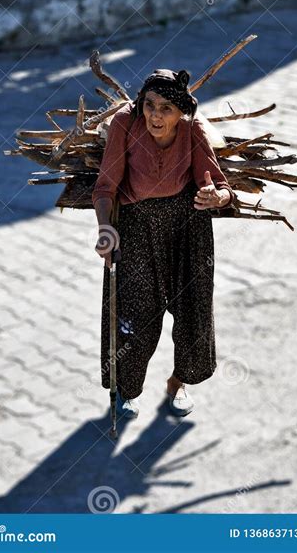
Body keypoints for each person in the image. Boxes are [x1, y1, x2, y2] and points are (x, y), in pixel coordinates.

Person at [92, 68, 235, 419]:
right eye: (150, 105)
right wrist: (105, 228)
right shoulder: (126, 124)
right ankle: (126, 389)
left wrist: (216, 197)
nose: (156, 115)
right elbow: (105, 187)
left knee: (192, 311)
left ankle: (178, 383)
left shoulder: (192, 128)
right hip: (137, 223)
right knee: (136, 312)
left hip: (187, 224)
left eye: (166, 108)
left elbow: (222, 186)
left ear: (180, 112)